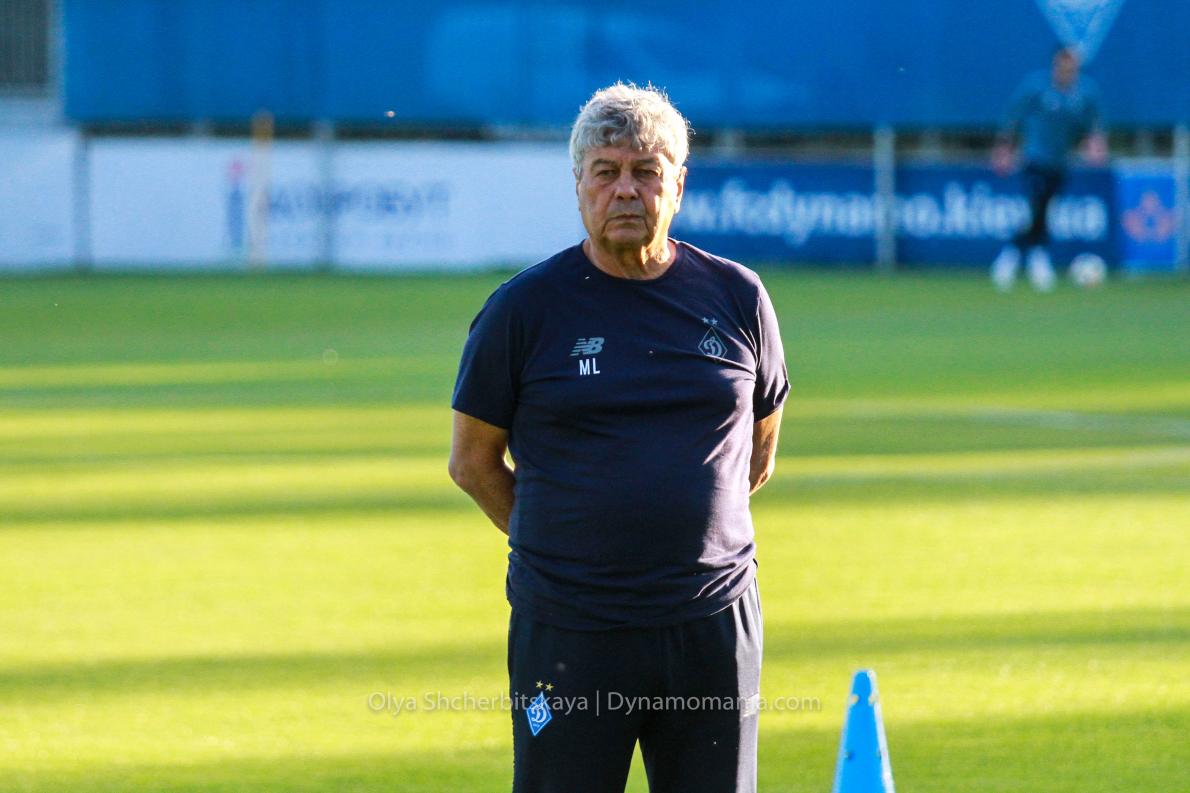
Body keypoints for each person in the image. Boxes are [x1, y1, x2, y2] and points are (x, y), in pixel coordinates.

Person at [448, 83, 789, 793]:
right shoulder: (523, 311)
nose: (626, 189)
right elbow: (473, 462)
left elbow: (756, 454)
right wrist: (561, 545)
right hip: (570, 627)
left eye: (646, 171)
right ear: (578, 184)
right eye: (606, 171)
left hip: (711, 622)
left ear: (678, 185)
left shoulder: (738, 297)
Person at [990, 46, 1107, 291]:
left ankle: (1017, 253)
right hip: (1034, 159)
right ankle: (1031, 258)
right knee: (1038, 204)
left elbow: (1092, 127)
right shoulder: (1036, 87)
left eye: (1072, 67)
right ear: (1056, 65)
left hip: (1060, 162)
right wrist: (1004, 149)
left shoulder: (1084, 93)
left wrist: (1094, 146)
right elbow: (1013, 117)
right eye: (1063, 66)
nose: (1067, 71)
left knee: (1043, 210)